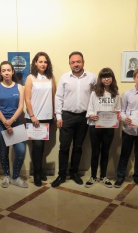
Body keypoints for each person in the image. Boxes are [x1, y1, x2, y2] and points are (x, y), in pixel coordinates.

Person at [52, 51, 97, 187]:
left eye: (78, 61)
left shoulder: (92, 78)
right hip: (67, 116)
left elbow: (96, 97)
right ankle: (61, 175)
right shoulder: (65, 78)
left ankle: (74, 173)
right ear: (70, 64)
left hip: (84, 117)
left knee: (78, 147)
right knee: (64, 147)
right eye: (73, 62)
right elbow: (58, 97)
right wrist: (58, 116)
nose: (76, 64)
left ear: (83, 62)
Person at [0, 61, 28, 188]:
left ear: (13, 72)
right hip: (0, 124)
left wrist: (11, 121)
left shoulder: (19, 87)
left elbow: (20, 106)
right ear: (0, 73)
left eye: (8, 70)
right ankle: (6, 176)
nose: (6, 72)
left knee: (20, 150)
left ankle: (15, 177)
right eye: (3, 70)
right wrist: (5, 123)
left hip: (16, 122)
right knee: (3, 151)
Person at [85, 68, 121, 188]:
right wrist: (91, 115)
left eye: (109, 77)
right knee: (95, 152)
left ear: (112, 78)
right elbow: (90, 108)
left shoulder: (115, 93)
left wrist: (118, 116)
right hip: (95, 126)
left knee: (105, 152)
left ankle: (103, 176)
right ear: (100, 79)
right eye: (104, 77)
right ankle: (93, 176)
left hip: (109, 127)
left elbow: (118, 109)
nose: (106, 79)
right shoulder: (95, 93)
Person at [24, 52, 56, 187]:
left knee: (42, 146)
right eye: (40, 61)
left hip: (47, 117)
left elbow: (54, 96)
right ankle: (36, 173)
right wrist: (32, 115)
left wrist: (55, 113)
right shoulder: (30, 78)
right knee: (36, 146)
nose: (43, 64)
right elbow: (27, 99)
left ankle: (40, 170)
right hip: (34, 117)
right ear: (35, 63)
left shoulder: (51, 77)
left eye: (45, 62)